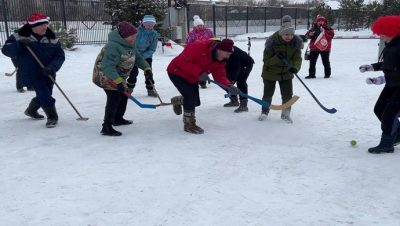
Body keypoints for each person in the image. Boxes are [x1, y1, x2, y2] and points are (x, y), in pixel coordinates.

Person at [2, 12, 65, 128]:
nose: (44, 27)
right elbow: (6, 50)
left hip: (48, 72)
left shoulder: (52, 38)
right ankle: (52, 117)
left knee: (46, 93)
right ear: (33, 26)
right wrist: (19, 44)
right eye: (41, 25)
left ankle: (31, 110)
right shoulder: (19, 36)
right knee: (44, 94)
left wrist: (52, 67)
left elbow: (60, 56)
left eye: (46, 24)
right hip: (30, 72)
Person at [92, 21, 153, 136]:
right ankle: (106, 127)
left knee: (124, 95)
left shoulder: (130, 44)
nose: (135, 38)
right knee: (114, 97)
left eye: (136, 36)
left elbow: (138, 58)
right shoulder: (113, 46)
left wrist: (147, 69)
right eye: (132, 37)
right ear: (124, 36)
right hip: (104, 75)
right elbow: (108, 67)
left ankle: (118, 119)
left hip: (117, 76)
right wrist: (118, 82)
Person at [167, 39, 240, 134]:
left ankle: (177, 100)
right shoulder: (198, 47)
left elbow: (220, 76)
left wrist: (229, 86)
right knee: (190, 97)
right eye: (227, 54)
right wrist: (199, 72)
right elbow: (182, 62)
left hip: (192, 77)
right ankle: (189, 124)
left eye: (229, 54)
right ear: (220, 50)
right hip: (176, 72)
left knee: (196, 102)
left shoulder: (221, 61)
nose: (228, 56)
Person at [359, 15, 400, 154]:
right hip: (392, 84)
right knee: (379, 109)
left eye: (383, 35)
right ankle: (398, 134)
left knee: (389, 114)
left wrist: (379, 80)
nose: (381, 37)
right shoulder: (391, 45)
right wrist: (371, 67)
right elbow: (388, 65)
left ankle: (387, 143)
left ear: (393, 32)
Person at [259, 15, 303, 123]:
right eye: (286, 34)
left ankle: (285, 114)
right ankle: (264, 111)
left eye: (291, 34)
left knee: (288, 95)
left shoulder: (295, 43)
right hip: (270, 73)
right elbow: (266, 61)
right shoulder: (272, 42)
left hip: (286, 73)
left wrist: (295, 68)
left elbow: (297, 58)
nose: (289, 37)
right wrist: (277, 58)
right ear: (281, 33)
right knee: (268, 94)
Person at [128, 15, 159, 97]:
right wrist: (136, 54)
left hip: (147, 56)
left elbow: (152, 48)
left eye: (152, 25)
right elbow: (131, 43)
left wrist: (144, 56)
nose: (150, 26)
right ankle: (129, 89)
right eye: (148, 24)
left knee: (148, 73)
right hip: (134, 55)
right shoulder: (136, 31)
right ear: (144, 24)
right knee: (133, 73)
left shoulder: (154, 34)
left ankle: (151, 89)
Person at [186, 15, 215, 89]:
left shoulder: (208, 31)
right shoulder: (192, 34)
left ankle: (203, 79)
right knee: (198, 66)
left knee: (205, 66)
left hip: (207, 52)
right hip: (197, 53)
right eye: (198, 26)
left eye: (201, 25)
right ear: (195, 26)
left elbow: (213, 39)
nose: (200, 27)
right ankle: (201, 82)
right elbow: (189, 43)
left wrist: (213, 46)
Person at [223, 45, 255, 113]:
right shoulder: (222, 51)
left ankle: (244, 105)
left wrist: (232, 80)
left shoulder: (234, 54)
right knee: (226, 82)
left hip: (246, 64)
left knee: (241, 82)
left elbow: (236, 69)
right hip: (233, 65)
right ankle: (234, 101)